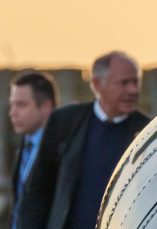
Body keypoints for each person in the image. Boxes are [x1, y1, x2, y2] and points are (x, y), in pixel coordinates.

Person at [18, 53, 149, 229]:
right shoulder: (64, 122)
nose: (133, 90)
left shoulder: (148, 131)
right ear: (97, 85)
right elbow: (37, 190)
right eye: (124, 83)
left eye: (136, 82)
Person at [7, 73, 57, 229]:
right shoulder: (25, 145)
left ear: (46, 106)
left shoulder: (61, 150)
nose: (12, 113)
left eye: (21, 105)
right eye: (12, 105)